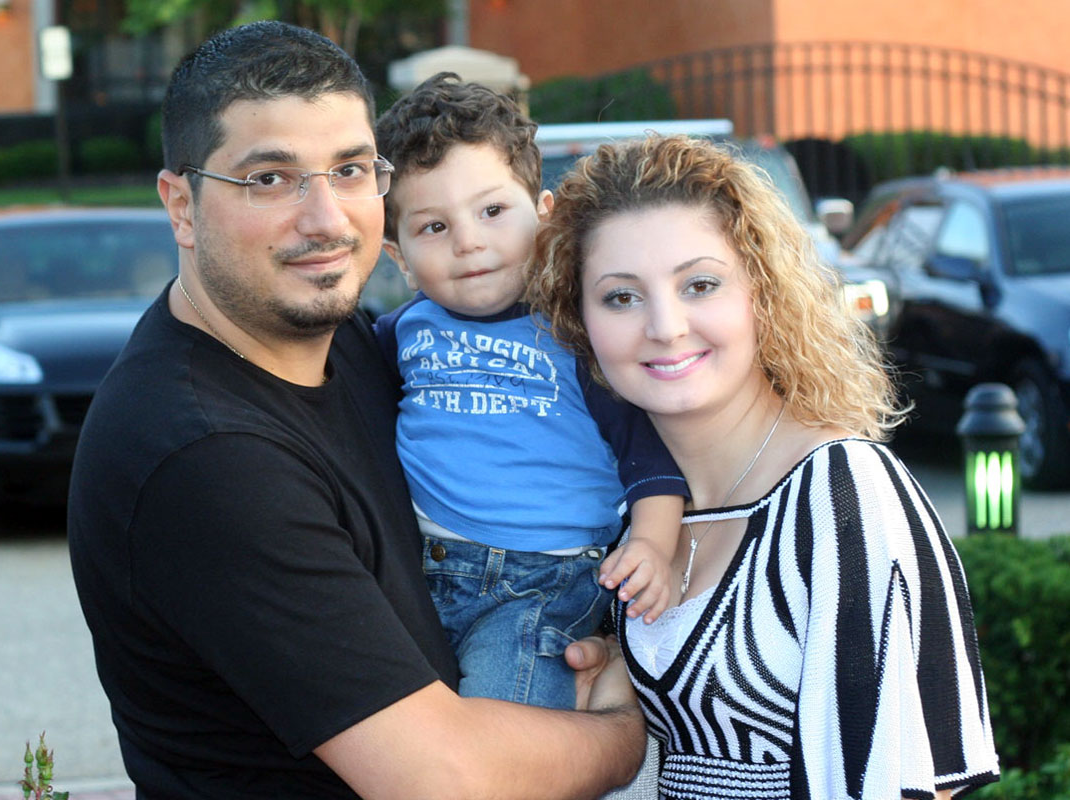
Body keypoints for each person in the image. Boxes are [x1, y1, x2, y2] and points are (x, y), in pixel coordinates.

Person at [67, 21, 646, 800]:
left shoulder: (361, 347)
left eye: (348, 170)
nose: (326, 219)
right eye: (269, 178)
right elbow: (446, 782)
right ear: (182, 205)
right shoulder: (205, 456)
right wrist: (621, 727)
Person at [528, 134, 1001, 799]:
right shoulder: (615, 506)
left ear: (762, 292)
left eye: (700, 285)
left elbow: (909, 779)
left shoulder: (844, 492)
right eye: (621, 297)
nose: (665, 326)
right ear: (577, 319)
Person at [371, 73, 687, 710]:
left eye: (492, 211)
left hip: (543, 583)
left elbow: (648, 457)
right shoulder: (397, 335)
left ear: (544, 216)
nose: (469, 241)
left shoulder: (578, 334)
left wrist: (652, 545)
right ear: (398, 256)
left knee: (502, 722)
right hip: (417, 571)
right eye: (433, 227)